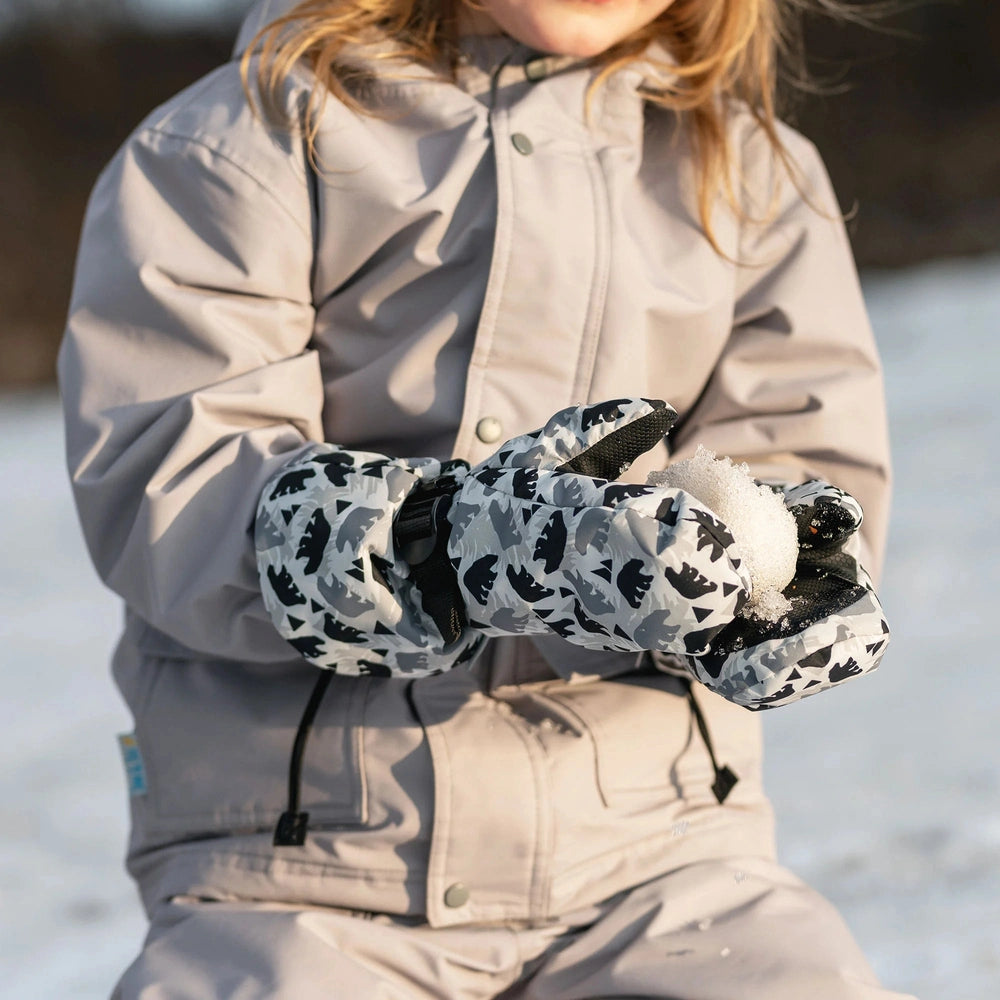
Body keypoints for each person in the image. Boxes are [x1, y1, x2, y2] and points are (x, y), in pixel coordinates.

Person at [59, 0, 913, 996]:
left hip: (662, 859)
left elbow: (801, 454)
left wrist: (777, 578)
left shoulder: (751, 172)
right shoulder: (236, 146)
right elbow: (177, 485)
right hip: (299, 873)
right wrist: (456, 549)